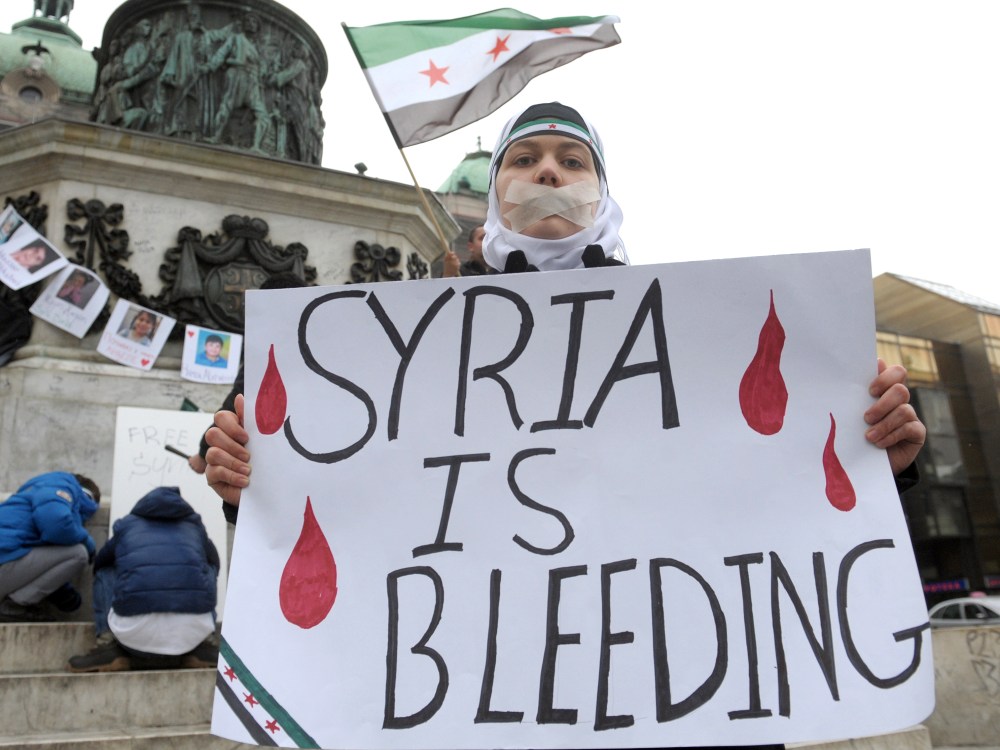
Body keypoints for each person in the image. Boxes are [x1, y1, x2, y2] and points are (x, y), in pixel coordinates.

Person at [202, 103, 926, 749]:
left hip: (657, 692)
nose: (548, 170)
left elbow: (757, 497)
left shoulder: (697, 333)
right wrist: (247, 478)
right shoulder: (406, 338)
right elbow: (351, 507)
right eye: (524, 159)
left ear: (601, 194)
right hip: (475, 699)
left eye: (571, 161)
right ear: (496, 196)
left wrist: (883, 462)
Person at [67, 486, 219, 672]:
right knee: (208, 566)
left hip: (131, 635)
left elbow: (100, 562)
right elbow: (215, 562)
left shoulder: (127, 524)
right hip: (193, 635)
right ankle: (206, 644)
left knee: (106, 569)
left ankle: (107, 644)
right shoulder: (194, 526)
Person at [0, 472, 100, 622]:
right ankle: (12, 608)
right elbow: (56, 524)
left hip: (7, 563)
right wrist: (86, 540)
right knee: (79, 553)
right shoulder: (63, 484)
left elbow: (39, 557)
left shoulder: (35, 490)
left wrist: (61, 591)